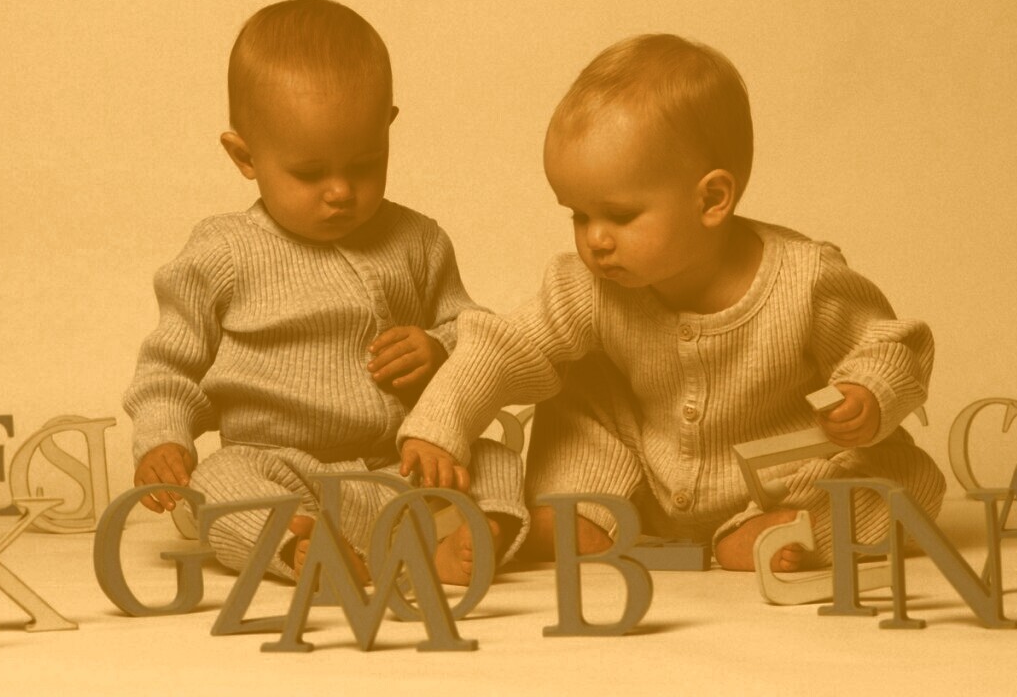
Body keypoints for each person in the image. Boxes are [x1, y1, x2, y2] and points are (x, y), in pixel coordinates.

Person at [398, 33, 944, 571]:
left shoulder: (806, 281)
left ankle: (784, 528)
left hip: (787, 477)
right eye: (579, 215)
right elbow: (504, 345)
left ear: (711, 199)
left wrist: (868, 394)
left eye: (620, 215)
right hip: (644, 481)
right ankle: (580, 513)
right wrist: (440, 424)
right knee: (577, 387)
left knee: (904, 484)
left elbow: (888, 346)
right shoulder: (588, 286)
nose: (595, 239)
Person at [124, 0, 526, 584]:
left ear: (387, 129)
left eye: (364, 164)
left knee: (493, 458)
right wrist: (164, 438)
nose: (341, 191)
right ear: (245, 156)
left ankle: (471, 535)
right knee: (218, 482)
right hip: (279, 467)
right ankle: (301, 546)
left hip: (399, 461)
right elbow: (169, 366)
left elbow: (479, 336)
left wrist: (439, 348)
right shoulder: (223, 252)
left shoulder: (418, 240)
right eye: (310, 173)